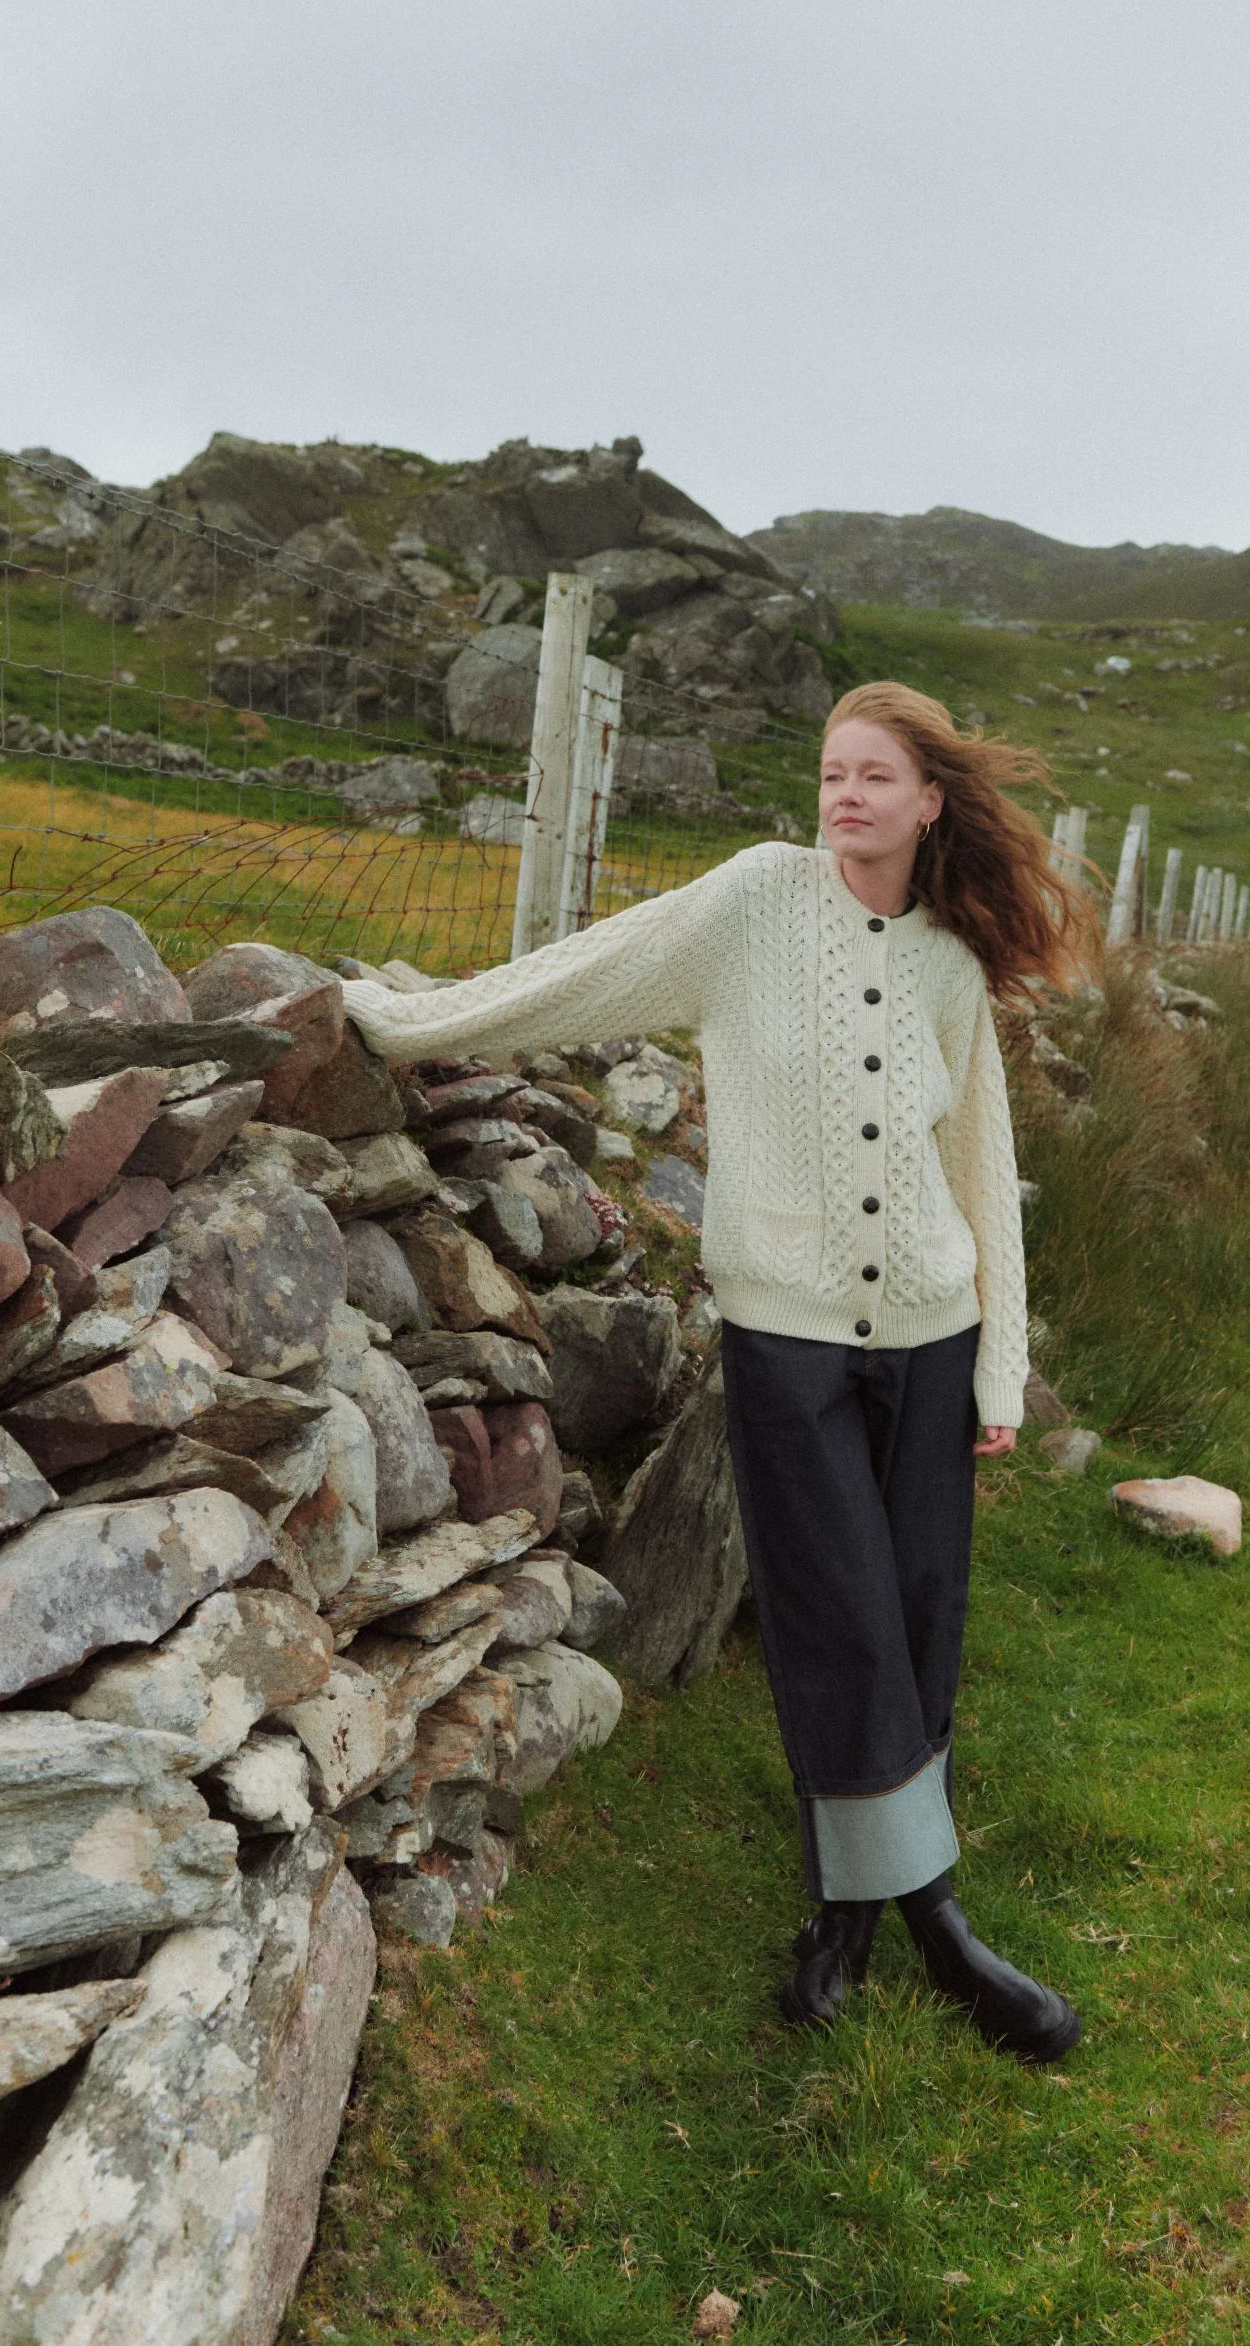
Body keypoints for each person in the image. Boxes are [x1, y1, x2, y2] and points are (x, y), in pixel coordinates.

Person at [339, 680, 1098, 2063]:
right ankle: (932, 1921)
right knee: (838, 1618)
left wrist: (1000, 1372)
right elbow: (590, 968)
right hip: (788, 1330)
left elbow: (980, 1170)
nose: (845, 794)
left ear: (933, 799)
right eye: (830, 772)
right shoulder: (757, 903)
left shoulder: (949, 962)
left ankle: (854, 1919)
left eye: (876, 775)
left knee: (921, 1617)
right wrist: (408, 1022)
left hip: (930, 1331)